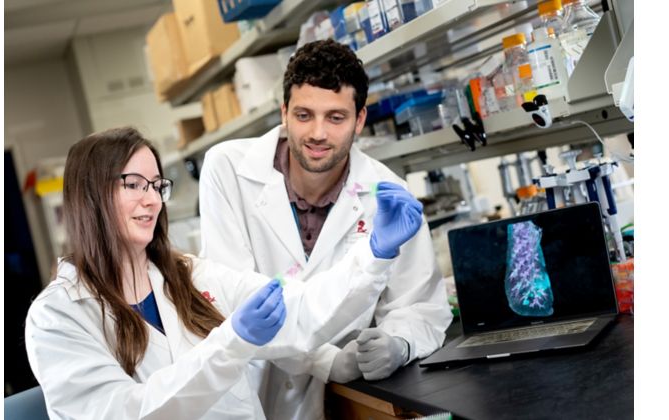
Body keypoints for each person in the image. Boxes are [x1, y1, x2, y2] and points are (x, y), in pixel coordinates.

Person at [23, 127, 426, 419]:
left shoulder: (189, 275)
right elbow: (128, 413)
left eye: (156, 185)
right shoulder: (58, 316)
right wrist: (233, 342)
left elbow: (300, 309)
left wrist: (375, 254)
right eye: (133, 184)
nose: (151, 200)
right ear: (89, 195)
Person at [198, 39, 453, 419]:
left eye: (335, 118)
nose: (317, 133)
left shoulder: (390, 194)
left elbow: (420, 305)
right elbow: (233, 303)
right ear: (284, 112)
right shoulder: (227, 169)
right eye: (304, 115)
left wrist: (398, 341)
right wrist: (327, 361)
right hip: (245, 393)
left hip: (337, 402)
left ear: (360, 119)